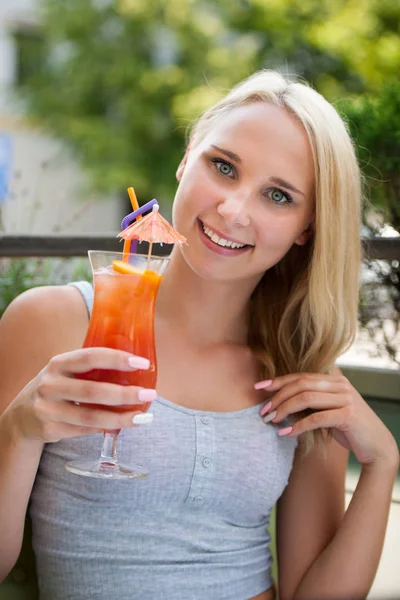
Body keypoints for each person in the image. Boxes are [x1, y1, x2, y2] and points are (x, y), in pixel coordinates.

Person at [0, 70, 398, 600]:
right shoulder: (54, 322)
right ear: (188, 159)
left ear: (308, 227)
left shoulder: (299, 372)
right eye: (223, 167)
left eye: (278, 196)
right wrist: (18, 432)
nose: (233, 211)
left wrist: (382, 463)